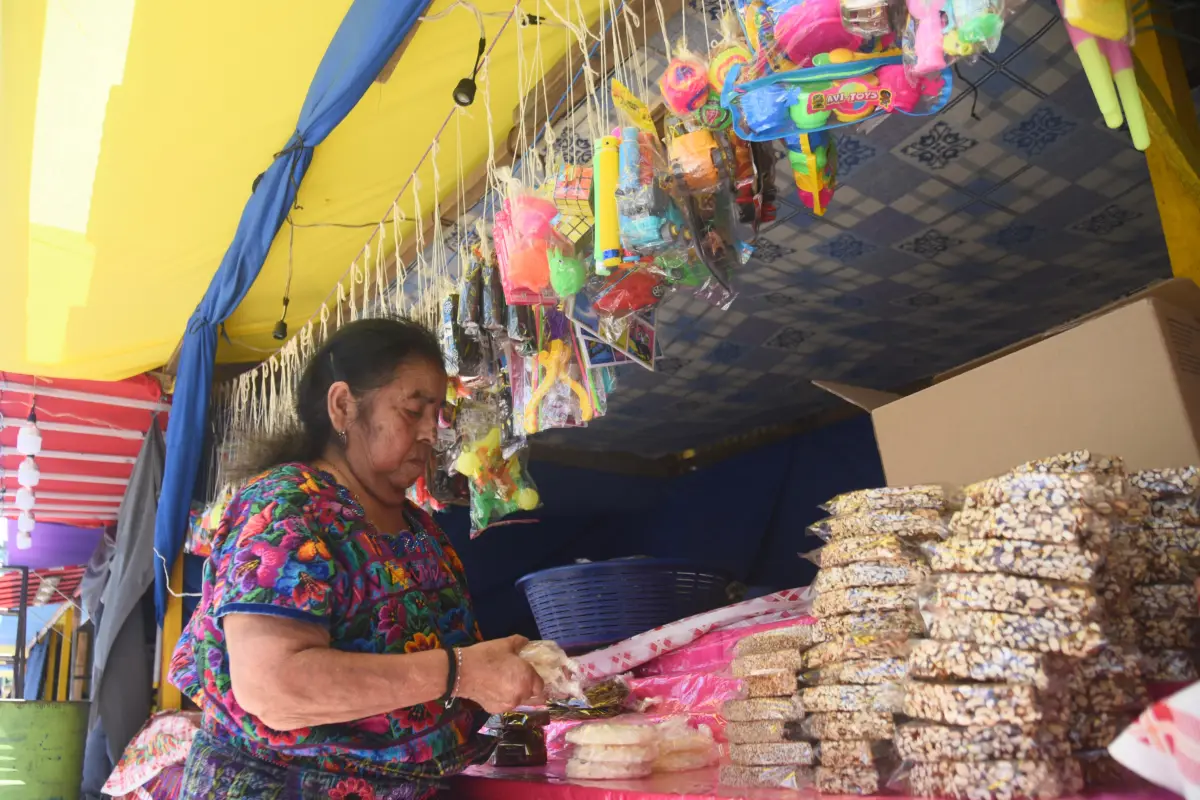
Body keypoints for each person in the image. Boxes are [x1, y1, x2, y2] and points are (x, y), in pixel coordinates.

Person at [169, 317, 545, 799]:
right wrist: (464, 671)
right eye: (414, 410)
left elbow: (440, 668)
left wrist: (501, 670)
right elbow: (273, 687)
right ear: (344, 406)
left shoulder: (422, 532)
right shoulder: (286, 508)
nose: (433, 431)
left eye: (438, 412)